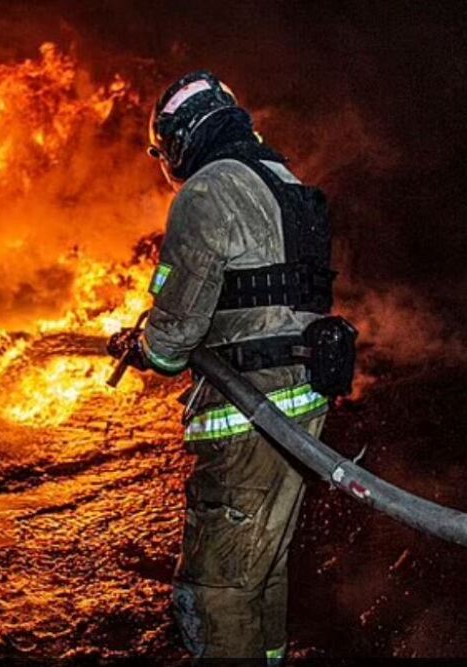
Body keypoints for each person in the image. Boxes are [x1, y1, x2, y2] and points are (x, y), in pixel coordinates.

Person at [108, 70, 340, 662]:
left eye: (163, 151)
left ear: (181, 139)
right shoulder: (285, 180)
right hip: (303, 406)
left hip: (249, 416)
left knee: (216, 589)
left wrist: (145, 346)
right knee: (263, 569)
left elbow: (173, 339)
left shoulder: (207, 193)